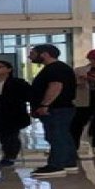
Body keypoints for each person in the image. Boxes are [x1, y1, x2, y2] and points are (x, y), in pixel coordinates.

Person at [28, 44, 78, 178]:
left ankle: (56, 165)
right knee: (62, 135)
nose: (29, 56)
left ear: (44, 54)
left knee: (56, 136)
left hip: (57, 108)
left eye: (32, 53)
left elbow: (56, 86)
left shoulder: (55, 68)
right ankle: (68, 162)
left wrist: (45, 105)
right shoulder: (57, 67)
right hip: (60, 108)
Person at [0, 60, 32, 169]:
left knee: (9, 138)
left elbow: (28, 96)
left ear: (8, 69)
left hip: (11, 116)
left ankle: (9, 158)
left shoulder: (18, 83)